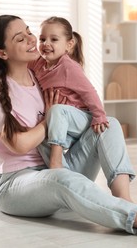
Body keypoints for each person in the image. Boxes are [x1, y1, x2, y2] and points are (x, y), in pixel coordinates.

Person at [0, 14, 137, 241]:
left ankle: (124, 199)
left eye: (29, 31)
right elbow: (19, 144)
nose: (32, 40)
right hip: (15, 184)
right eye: (19, 38)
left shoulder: (41, 74)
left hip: (54, 168)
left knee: (108, 124)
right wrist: (49, 118)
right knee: (60, 177)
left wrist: (71, 117)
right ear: (2, 53)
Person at [28, 16, 108, 169]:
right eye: (42, 39)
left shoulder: (68, 67)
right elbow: (19, 64)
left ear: (69, 45)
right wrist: (1, 73)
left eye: (54, 39)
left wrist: (99, 115)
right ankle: (63, 174)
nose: (46, 44)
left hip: (79, 118)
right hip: (61, 124)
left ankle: (56, 160)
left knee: (57, 110)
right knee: (39, 136)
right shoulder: (39, 63)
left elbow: (89, 92)